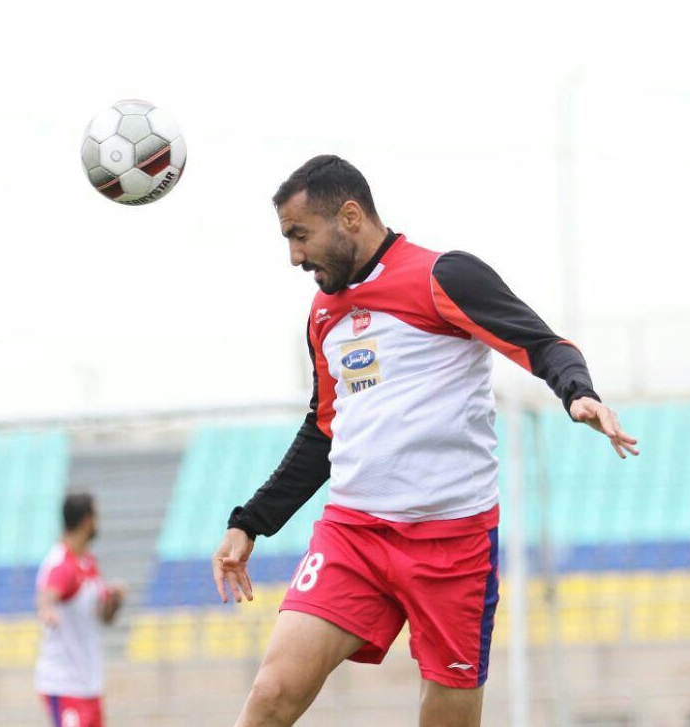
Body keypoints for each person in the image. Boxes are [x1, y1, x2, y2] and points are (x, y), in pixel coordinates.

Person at [211, 155, 639, 727]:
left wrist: (577, 392)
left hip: (453, 545)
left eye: (300, 235)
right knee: (272, 693)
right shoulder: (323, 313)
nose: (294, 256)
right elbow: (324, 430)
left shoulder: (444, 276)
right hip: (355, 535)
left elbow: (543, 344)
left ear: (350, 216)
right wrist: (249, 522)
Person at [35, 492, 124, 727]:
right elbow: (47, 595)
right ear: (87, 521)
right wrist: (46, 610)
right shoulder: (62, 563)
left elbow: (105, 617)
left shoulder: (88, 562)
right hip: (64, 684)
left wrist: (114, 601)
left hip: (89, 683)